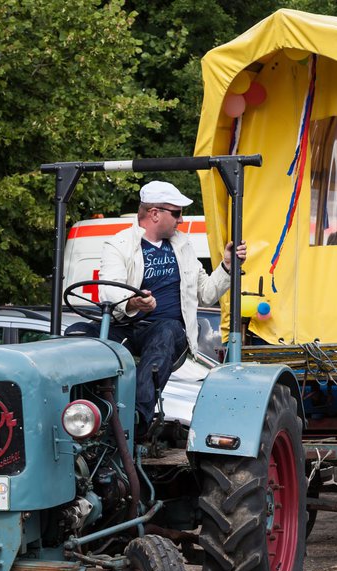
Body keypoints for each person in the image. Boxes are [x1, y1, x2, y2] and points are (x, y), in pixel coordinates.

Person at [98, 180, 246, 430]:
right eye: (177, 213)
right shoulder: (119, 245)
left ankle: (137, 419)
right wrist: (133, 302)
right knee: (76, 334)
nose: (181, 220)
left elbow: (206, 294)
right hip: (126, 328)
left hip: (167, 330)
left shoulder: (182, 245)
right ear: (155, 213)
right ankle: (84, 413)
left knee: (166, 331)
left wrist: (227, 266)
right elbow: (109, 290)